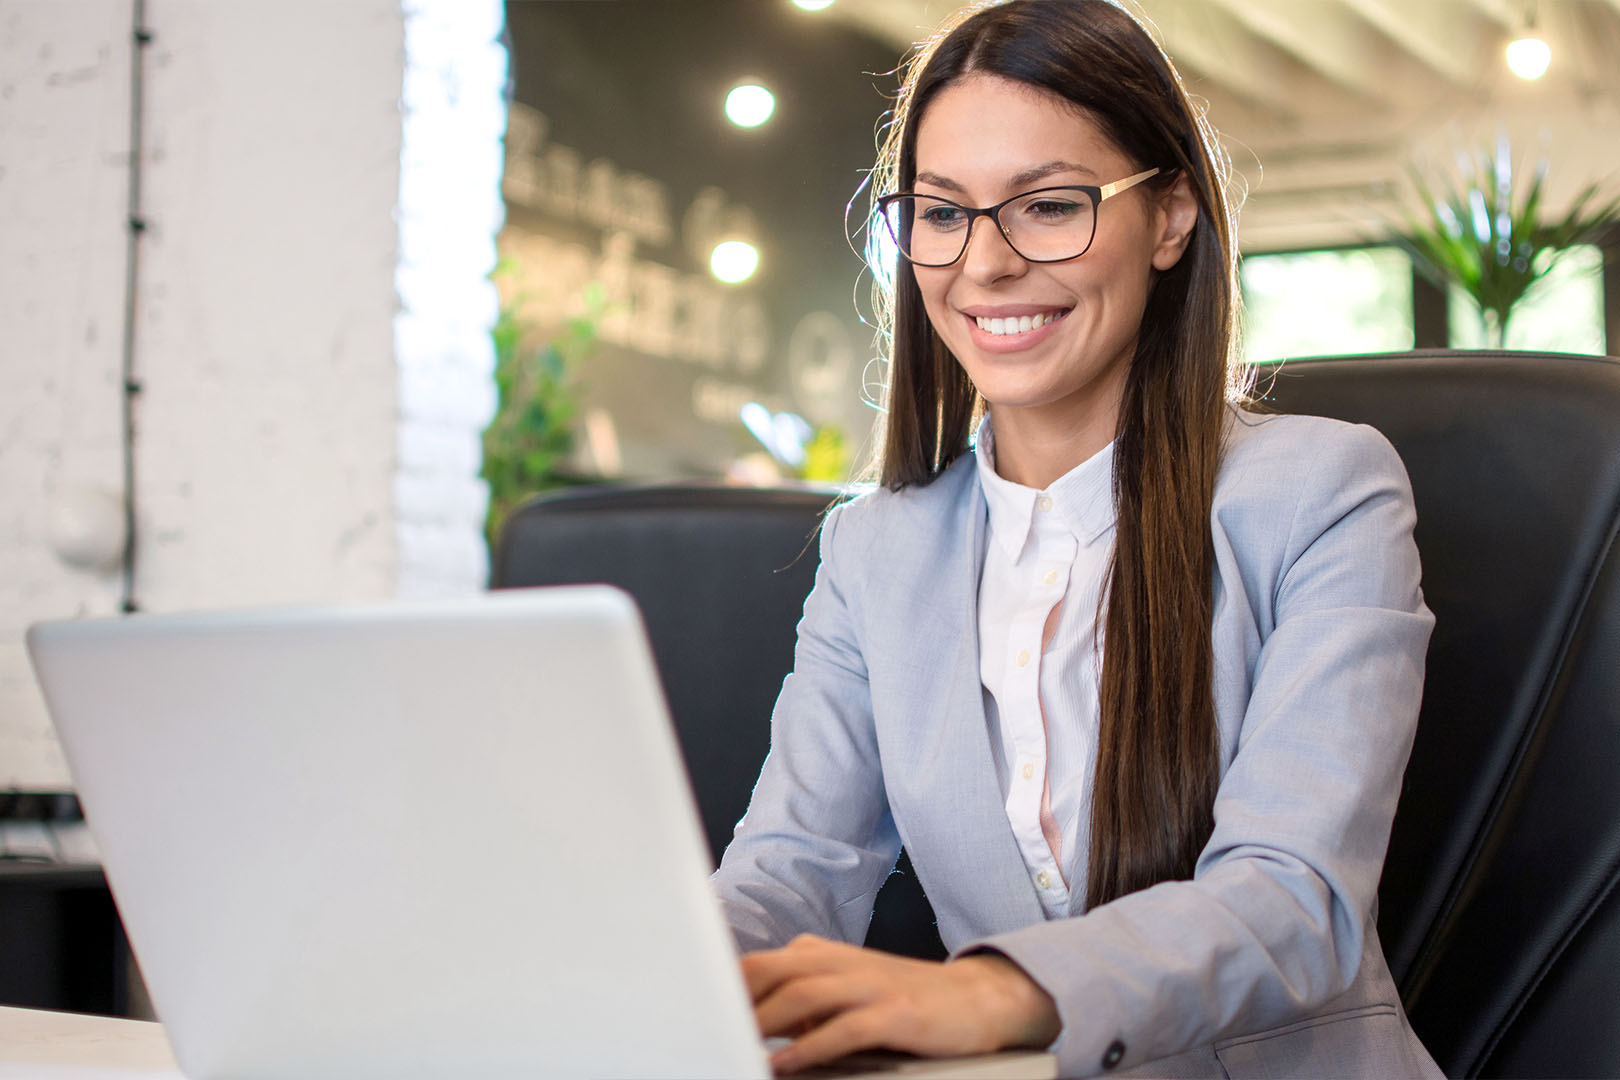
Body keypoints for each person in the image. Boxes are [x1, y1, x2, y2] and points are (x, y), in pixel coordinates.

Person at [711, 1, 1441, 1076]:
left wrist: (993, 993)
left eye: (1050, 206)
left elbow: (1295, 897)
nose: (986, 264)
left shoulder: (1324, 493)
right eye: (942, 212)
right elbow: (789, 870)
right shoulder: (877, 556)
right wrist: (656, 985)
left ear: (1171, 217)